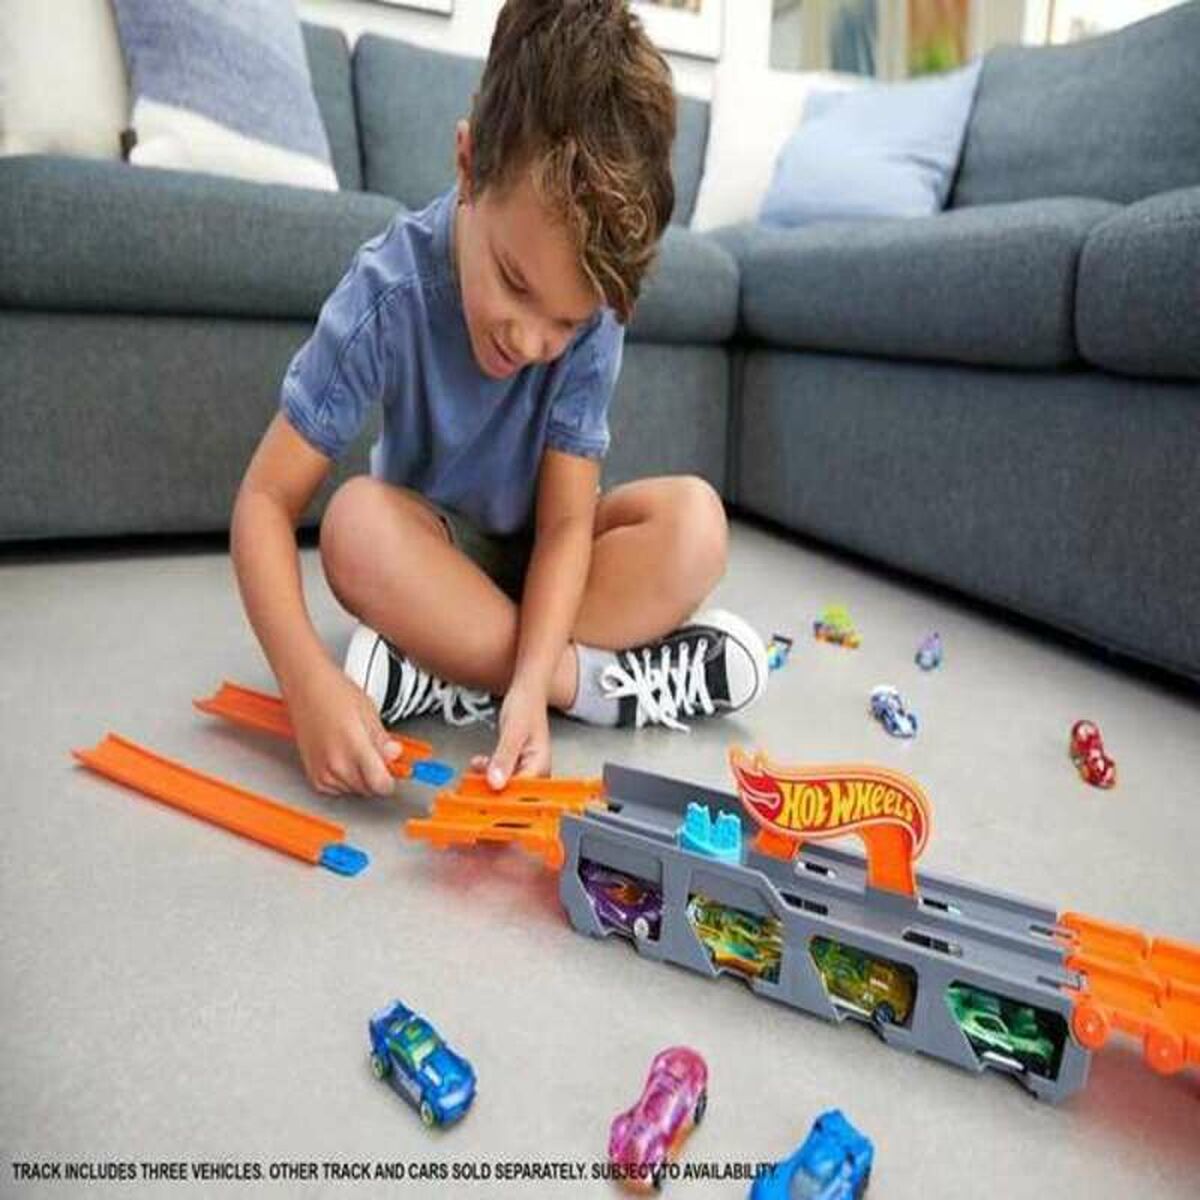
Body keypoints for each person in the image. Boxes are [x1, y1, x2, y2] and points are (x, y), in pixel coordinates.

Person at [230, 0, 767, 800]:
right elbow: (264, 502)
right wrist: (307, 681)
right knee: (353, 526)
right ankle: (593, 682)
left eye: (566, 322)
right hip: (438, 554)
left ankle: (459, 668)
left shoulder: (592, 318)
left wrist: (524, 685)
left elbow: (565, 528)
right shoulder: (387, 291)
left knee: (696, 526)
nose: (532, 339)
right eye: (515, 282)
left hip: (552, 559)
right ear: (468, 163)